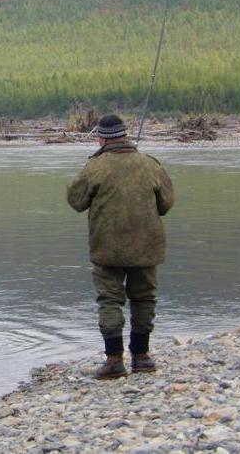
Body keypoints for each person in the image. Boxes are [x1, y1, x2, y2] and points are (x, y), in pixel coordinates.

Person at [67, 114, 174, 379]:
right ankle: (142, 357)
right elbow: (166, 205)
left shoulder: (95, 167)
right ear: (124, 135)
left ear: (101, 138)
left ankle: (114, 360)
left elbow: (75, 201)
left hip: (107, 249)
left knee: (110, 300)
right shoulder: (151, 165)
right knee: (144, 298)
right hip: (146, 247)